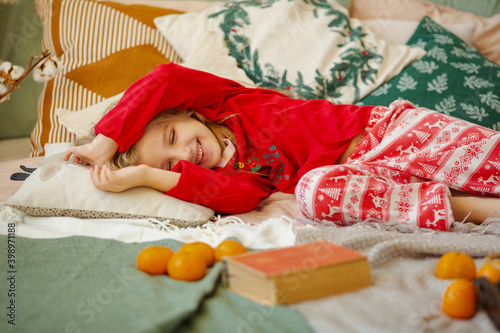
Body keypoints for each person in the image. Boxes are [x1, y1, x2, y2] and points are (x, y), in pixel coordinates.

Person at [65, 63, 500, 231]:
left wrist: (107, 141)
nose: (183, 155)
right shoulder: (234, 179)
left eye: (173, 138)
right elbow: (238, 199)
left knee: (480, 156)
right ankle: (480, 211)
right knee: (312, 193)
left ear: (189, 113)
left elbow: (162, 79)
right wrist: (142, 175)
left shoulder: (224, 100)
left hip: (386, 132)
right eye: (169, 164)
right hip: (364, 181)